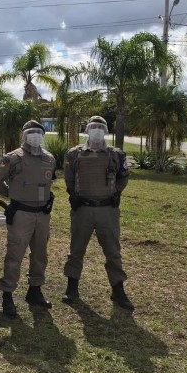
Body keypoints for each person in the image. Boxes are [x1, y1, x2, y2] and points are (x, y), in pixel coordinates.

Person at [62, 115, 134, 311]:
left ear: (105, 131)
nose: (96, 131)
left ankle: (118, 289)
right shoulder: (74, 154)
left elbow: (124, 177)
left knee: (113, 251)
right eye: (92, 127)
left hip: (107, 210)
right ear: (87, 131)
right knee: (76, 249)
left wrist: (115, 192)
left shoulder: (116, 154)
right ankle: (72, 287)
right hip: (82, 210)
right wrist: (74, 195)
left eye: (100, 127)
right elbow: (68, 179)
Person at [0, 120, 57, 317]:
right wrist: (14, 195)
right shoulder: (12, 158)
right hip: (22, 214)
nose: (35, 136)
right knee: (15, 255)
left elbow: (48, 182)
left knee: (40, 254)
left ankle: (35, 290)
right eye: (31, 132)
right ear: (23, 136)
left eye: (39, 132)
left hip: (42, 214)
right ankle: (8, 295)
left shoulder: (49, 158)